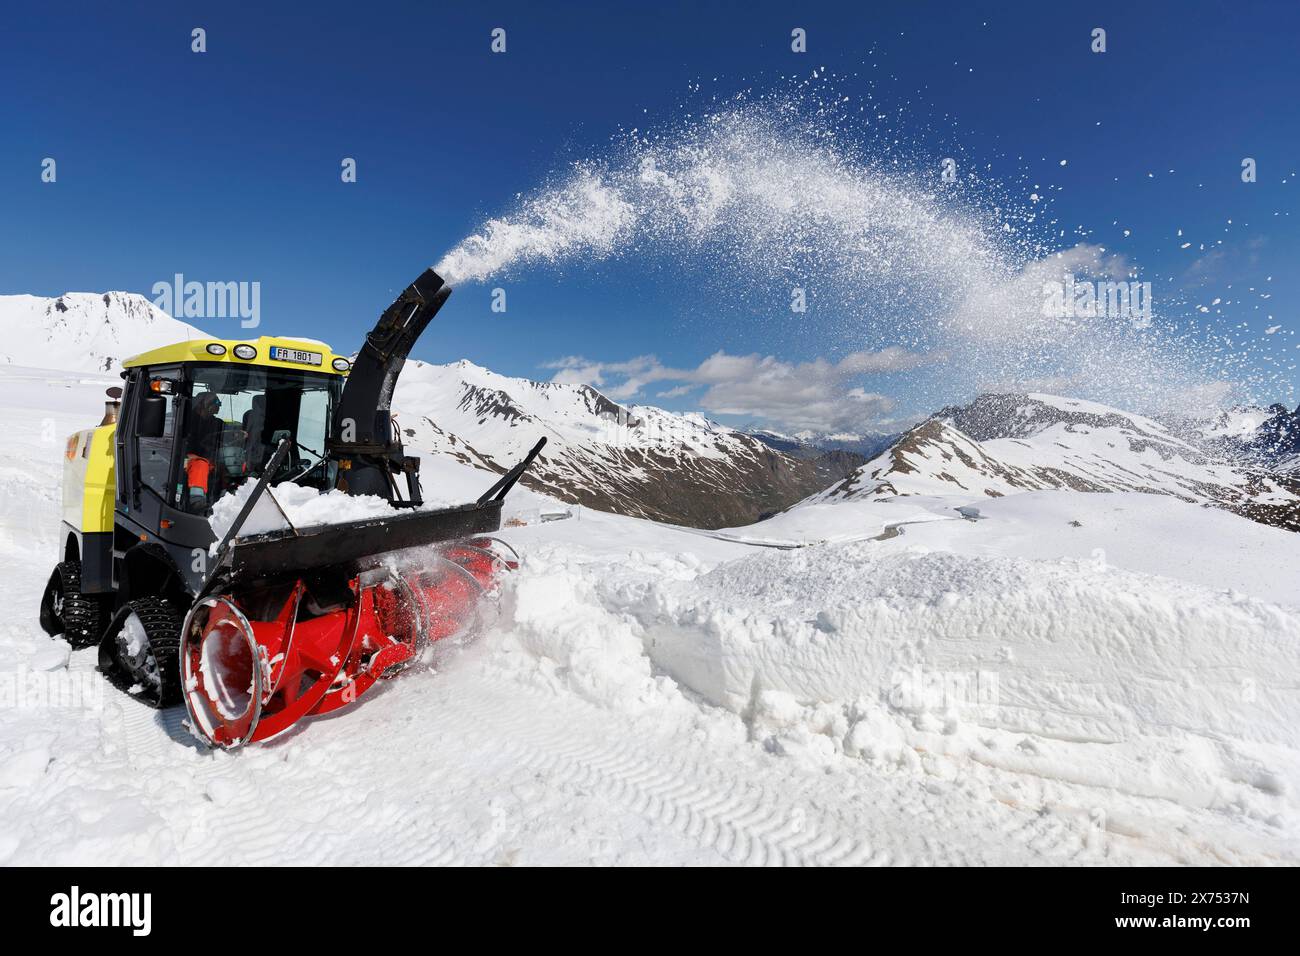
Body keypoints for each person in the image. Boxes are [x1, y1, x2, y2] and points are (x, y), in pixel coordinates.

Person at [184, 391, 224, 510]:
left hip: (211, 458)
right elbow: (181, 442)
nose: (219, 405)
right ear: (202, 404)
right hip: (188, 457)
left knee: (233, 462)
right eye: (215, 402)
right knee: (200, 464)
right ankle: (197, 500)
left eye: (219, 402)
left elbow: (228, 433)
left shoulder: (217, 422)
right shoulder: (187, 420)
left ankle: (230, 496)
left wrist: (239, 434)